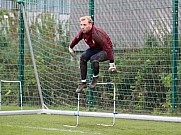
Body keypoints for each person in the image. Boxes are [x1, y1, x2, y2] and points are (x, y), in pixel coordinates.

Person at [69, 16, 116, 93]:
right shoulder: (83, 32)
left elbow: (108, 48)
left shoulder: (97, 34)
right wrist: (70, 47)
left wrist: (112, 64)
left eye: (84, 25)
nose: (82, 27)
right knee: (83, 57)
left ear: (90, 24)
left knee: (93, 59)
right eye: (81, 25)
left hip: (106, 51)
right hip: (95, 49)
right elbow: (76, 39)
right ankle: (83, 83)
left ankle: (95, 78)